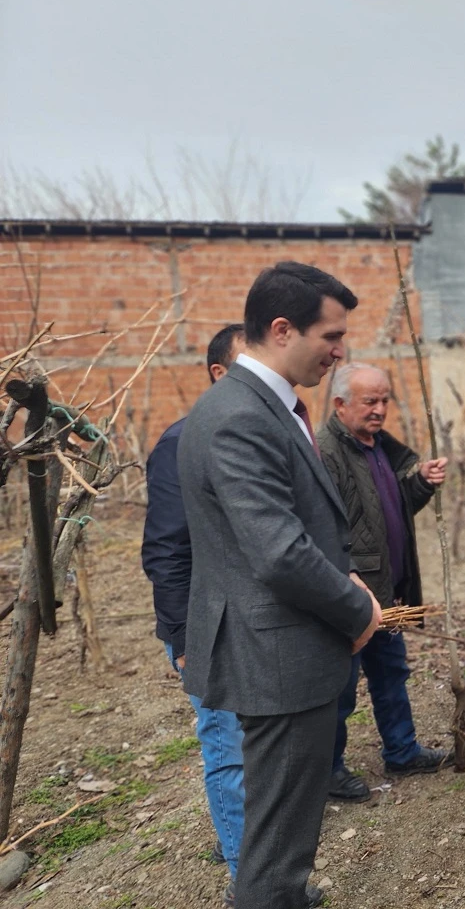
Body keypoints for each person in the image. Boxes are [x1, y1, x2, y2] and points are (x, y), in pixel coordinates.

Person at [178, 262, 381, 909]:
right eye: (331, 336)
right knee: (277, 832)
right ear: (282, 328)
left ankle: (281, 893)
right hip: (279, 654)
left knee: (284, 825)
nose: (340, 351)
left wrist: (341, 566)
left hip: (279, 645)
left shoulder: (265, 405)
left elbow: (284, 526)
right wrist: (358, 610)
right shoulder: (240, 416)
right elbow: (277, 553)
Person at [318, 362, 452, 802]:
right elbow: (326, 529)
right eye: (369, 401)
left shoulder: (377, 448)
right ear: (340, 404)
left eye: (384, 400)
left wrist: (423, 485)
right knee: (340, 685)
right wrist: (347, 583)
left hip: (388, 589)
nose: (379, 410)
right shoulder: (326, 453)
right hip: (351, 593)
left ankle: (401, 751)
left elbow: (386, 513)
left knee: (391, 673)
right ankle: (328, 770)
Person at [141, 323, 246, 887]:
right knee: (227, 744)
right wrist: (184, 638)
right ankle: (247, 879)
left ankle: (249, 852)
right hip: (205, 622)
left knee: (254, 746)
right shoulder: (181, 443)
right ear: (218, 374)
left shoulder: (265, 433)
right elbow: (165, 550)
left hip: (252, 618)